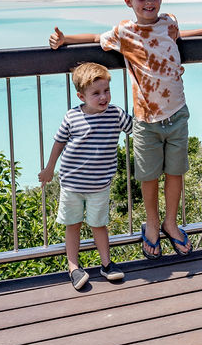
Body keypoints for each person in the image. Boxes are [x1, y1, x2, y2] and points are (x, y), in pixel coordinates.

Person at [49, 0, 202, 260]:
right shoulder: (124, 32)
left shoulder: (170, 21)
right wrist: (67, 41)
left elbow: (176, 37)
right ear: (129, 1)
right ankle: (152, 224)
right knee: (149, 177)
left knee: (176, 173)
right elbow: (95, 37)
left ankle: (171, 223)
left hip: (177, 113)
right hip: (144, 119)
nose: (149, 2)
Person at [39, 62, 133, 290]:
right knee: (73, 224)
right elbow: (58, 144)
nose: (103, 97)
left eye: (106, 91)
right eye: (96, 93)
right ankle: (73, 267)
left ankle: (106, 264)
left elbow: (136, 129)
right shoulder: (72, 117)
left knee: (99, 225)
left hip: (100, 185)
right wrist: (49, 168)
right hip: (71, 184)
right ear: (81, 96)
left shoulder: (116, 114)